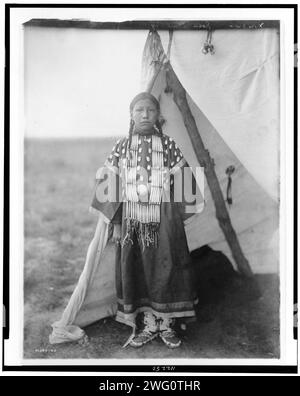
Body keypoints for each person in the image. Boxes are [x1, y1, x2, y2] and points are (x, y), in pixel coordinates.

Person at [90, 92, 200, 348]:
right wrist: (117, 223)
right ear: (131, 115)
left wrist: (174, 219)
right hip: (131, 222)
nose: (145, 115)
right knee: (138, 269)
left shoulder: (169, 145)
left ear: (158, 115)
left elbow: (185, 185)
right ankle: (149, 323)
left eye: (150, 110)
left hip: (165, 220)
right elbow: (109, 186)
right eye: (139, 110)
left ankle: (167, 325)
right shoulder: (121, 147)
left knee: (167, 267)